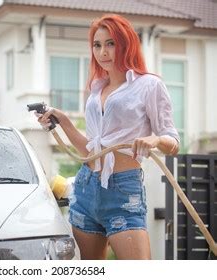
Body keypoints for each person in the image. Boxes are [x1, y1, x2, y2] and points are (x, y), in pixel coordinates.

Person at [35, 14, 179, 260]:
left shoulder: (149, 85)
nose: (103, 52)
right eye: (97, 45)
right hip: (85, 189)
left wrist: (154, 140)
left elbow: (172, 142)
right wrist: (63, 121)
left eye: (111, 43)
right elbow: (91, 151)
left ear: (127, 43)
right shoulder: (96, 89)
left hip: (123, 191)